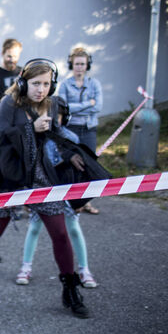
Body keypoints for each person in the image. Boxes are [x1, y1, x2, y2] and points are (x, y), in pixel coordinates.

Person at [0, 58, 91, 319]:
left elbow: (57, 134)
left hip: (41, 179)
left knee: (61, 234)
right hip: (10, 178)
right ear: (23, 82)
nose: (41, 89)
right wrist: (30, 129)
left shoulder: (50, 104)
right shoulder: (9, 103)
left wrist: (71, 153)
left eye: (46, 84)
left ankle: (71, 290)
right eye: (35, 83)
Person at [16, 96, 97, 288]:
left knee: (73, 230)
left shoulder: (71, 138)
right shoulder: (36, 138)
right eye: (48, 116)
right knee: (34, 228)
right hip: (43, 193)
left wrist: (81, 200)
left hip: (67, 194)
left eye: (57, 116)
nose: (52, 120)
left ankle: (84, 270)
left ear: (65, 117)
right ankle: (26, 267)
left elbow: (80, 173)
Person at [58, 47, 102, 214]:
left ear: (87, 65)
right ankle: (72, 201)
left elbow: (98, 106)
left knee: (89, 164)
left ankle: (87, 202)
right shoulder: (65, 85)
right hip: (71, 128)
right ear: (71, 65)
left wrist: (77, 108)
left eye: (82, 64)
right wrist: (87, 104)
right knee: (73, 163)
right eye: (76, 64)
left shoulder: (94, 84)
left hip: (89, 128)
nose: (79, 67)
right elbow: (64, 107)